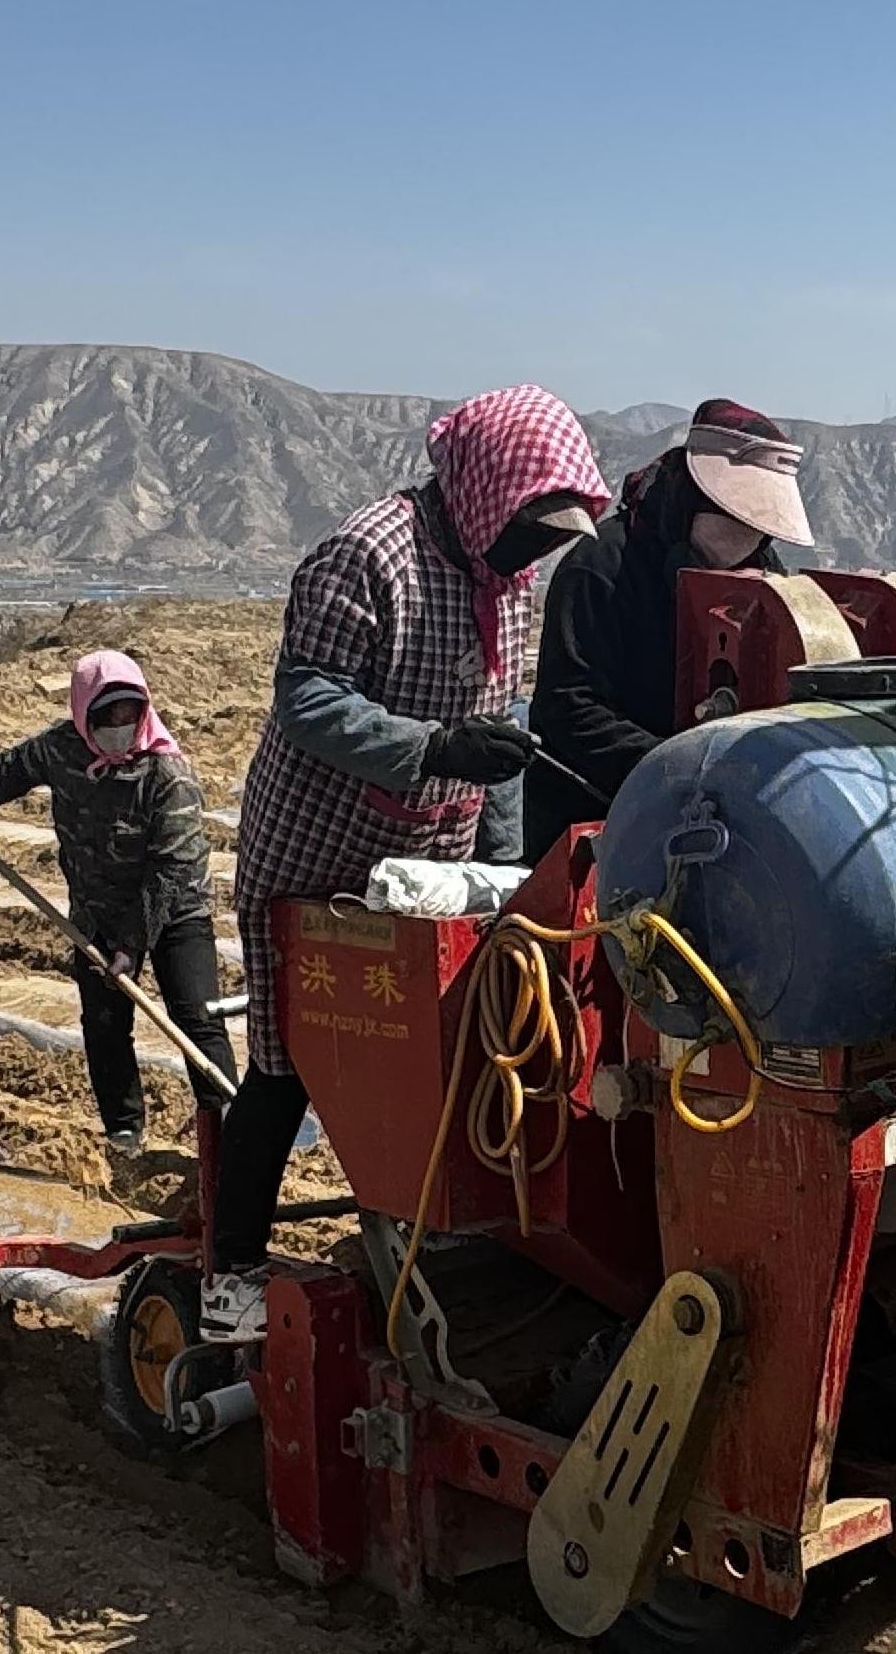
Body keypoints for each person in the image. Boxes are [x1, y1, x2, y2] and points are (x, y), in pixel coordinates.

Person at [199, 386, 611, 1340]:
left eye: (551, 537)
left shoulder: (510, 587)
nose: (534, 553)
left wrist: (510, 876)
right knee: (287, 1056)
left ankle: (435, 1236)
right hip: (317, 847)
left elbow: (498, 735)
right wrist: (429, 748)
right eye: (528, 531)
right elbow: (306, 698)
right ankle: (234, 1275)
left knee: (439, 1053)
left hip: (434, 857)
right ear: (483, 492)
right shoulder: (366, 555)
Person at [0, 647, 234, 1186]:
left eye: (128, 714)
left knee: (195, 1017)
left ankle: (227, 1131)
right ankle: (123, 1132)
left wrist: (132, 946)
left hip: (176, 909)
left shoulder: (168, 774)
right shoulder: (62, 749)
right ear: (84, 714)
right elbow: (10, 770)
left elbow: (171, 871)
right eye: (106, 715)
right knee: (105, 1023)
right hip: (96, 910)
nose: (118, 727)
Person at [527, 397, 818, 846]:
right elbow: (567, 707)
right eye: (736, 520)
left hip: (707, 820)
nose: (751, 539)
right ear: (693, 502)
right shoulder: (601, 566)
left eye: (761, 527)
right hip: (594, 819)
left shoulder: (763, 573)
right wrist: (679, 765)